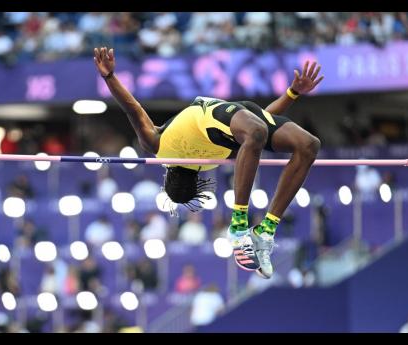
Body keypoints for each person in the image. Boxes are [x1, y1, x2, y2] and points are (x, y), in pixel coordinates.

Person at [94, 46, 323, 279]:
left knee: (264, 135)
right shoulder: (187, 154)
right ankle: (265, 230)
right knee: (308, 146)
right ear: (168, 177)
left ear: (195, 183)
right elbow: (133, 108)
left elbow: (257, 131)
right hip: (240, 117)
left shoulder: (177, 153)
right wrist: (292, 93)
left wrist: (109, 77)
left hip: (228, 116)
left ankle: (238, 225)